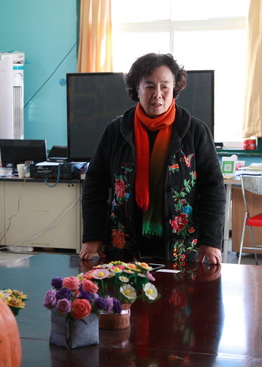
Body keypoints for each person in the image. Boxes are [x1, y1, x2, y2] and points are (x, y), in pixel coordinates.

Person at [80, 53, 225, 264]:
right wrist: (92, 237)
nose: (157, 94)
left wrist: (210, 241)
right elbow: (95, 186)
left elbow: (213, 190)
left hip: (180, 245)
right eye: (149, 86)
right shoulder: (116, 131)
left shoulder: (195, 131)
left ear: (174, 88)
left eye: (164, 86)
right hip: (124, 244)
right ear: (136, 88)